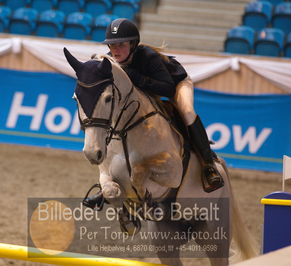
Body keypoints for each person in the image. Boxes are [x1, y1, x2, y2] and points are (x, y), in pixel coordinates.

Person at [83, 19, 223, 209]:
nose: (115, 50)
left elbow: (166, 89)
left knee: (187, 111)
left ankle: (208, 165)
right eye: (112, 45)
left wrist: (133, 76)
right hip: (145, 92)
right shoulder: (111, 61)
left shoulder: (148, 57)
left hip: (174, 84)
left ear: (132, 44)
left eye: (121, 44)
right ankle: (108, 184)